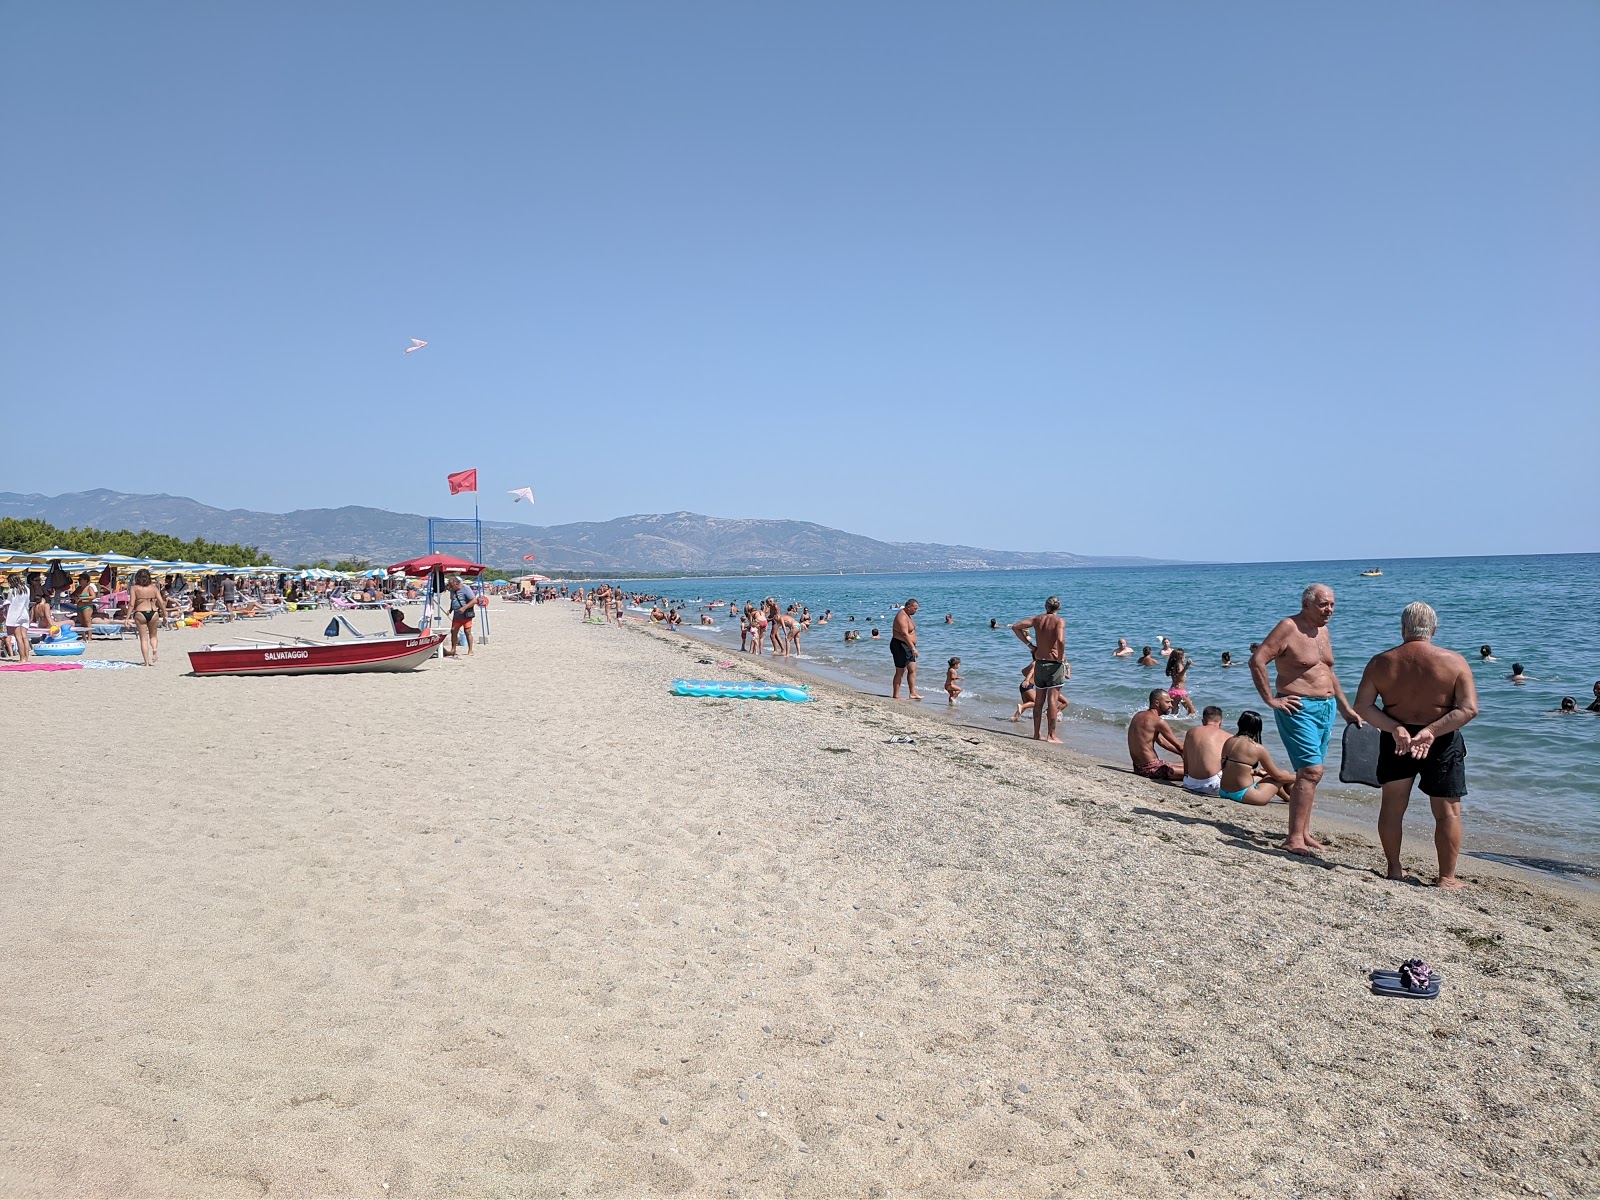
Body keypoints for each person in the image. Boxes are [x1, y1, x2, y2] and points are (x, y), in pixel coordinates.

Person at [1354, 601, 1479, 890]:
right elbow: (1469, 709)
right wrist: (1432, 731)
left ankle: (1394, 869)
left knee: (1392, 807)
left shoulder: (1381, 662)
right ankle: (1446, 878)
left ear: (1403, 629)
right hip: (1441, 738)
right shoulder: (1454, 662)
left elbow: (1363, 706)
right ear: (1434, 629)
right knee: (1447, 812)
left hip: (1397, 740)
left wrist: (1395, 727)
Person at [1249, 584, 1363, 856]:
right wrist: (1271, 700)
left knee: (1310, 773)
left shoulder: (1323, 630)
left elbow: (1327, 671)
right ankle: (1293, 839)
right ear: (1306, 604)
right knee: (1312, 771)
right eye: (1324, 605)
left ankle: (1303, 833)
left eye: (1333, 605)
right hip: (1297, 707)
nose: (1330, 610)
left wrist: (1345, 708)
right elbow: (1258, 661)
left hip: (1326, 707)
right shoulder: (1288, 627)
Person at [1012, 596, 1067, 743]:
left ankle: (1036, 733)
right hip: (1054, 665)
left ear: (1046, 606)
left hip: (1040, 663)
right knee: (1053, 701)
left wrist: (1030, 646)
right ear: (1059, 607)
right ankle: (1051, 735)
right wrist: (1060, 657)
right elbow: (1060, 640)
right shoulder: (1059, 621)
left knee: (1039, 701)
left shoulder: (1037, 620)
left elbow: (1016, 627)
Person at [1217, 711, 1296, 805]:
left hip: (1224, 791)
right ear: (1258, 728)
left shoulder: (1229, 741)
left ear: (1239, 724)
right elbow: (1279, 777)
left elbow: (1233, 768)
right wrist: (1300, 777)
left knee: (1261, 776)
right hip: (1244, 794)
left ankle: (1288, 798)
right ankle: (1302, 802)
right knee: (1284, 774)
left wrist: (1256, 771)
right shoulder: (1257, 748)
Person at [1128, 690, 1184, 780]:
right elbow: (1180, 746)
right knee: (1197, 771)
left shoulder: (1138, 716)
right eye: (1167, 702)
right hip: (1153, 769)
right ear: (1157, 703)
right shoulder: (1158, 721)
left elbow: (1162, 742)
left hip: (1139, 767)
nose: (1171, 705)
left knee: (1183, 764)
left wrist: (1181, 754)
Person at [1180, 706, 1232, 796]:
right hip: (1213, 786)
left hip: (1189, 783)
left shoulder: (1190, 733)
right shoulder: (1227, 736)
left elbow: (1186, 760)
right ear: (1220, 722)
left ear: (1203, 721)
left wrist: (1186, 778)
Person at [128, 568, 164, 667]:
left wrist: (127, 618)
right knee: (153, 636)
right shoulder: (154, 587)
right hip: (153, 612)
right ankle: (155, 649)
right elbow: (161, 602)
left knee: (143, 639)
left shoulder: (134, 588)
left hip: (140, 612)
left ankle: (146, 662)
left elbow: (131, 604)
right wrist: (165, 615)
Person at [890, 599, 921, 700]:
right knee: (900, 671)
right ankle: (896, 694)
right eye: (915, 609)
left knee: (912, 669)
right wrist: (913, 648)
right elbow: (904, 634)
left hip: (907, 646)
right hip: (900, 645)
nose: (916, 611)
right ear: (909, 607)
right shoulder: (902, 616)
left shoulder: (908, 615)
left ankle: (912, 693)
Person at [444, 575, 477, 657]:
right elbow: (453, 600)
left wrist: (464, 608)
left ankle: (470, 650)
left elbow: (474, 600)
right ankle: (453, 649)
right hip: (457, 615)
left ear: (457, 584)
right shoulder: (452, 590)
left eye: (452, 585)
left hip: (466, 615)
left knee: (467, 632)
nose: (450, 587)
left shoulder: (466, 589)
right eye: (450, 586)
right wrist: (450, 609)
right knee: (453, 632)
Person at [4, 573, 31, 664]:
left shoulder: (13, 591)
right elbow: (27, 602)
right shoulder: (27, 589)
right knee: (24, 637)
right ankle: (27, 657)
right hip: (25, 613)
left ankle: (22, 658)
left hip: (15, 615)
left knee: (18, 638)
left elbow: (8, 602)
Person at [1165, 649, 1196, 715]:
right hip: (1180, 692)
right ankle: (1188, 724)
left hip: (1172, 691)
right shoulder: (1179, 665)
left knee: (1174, 713)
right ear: (1181, 657)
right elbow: (1179, 676)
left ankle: (1173, 724)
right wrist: (1187, 666)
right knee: (1192, 711)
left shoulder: (1173, 666)